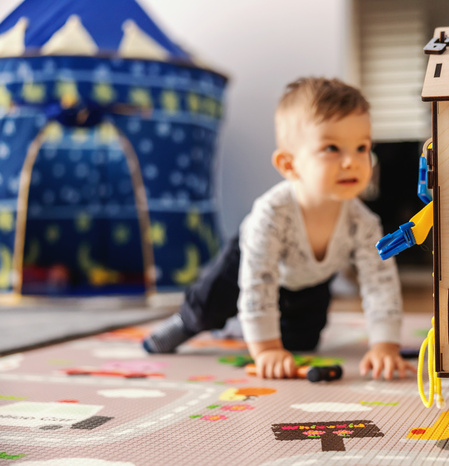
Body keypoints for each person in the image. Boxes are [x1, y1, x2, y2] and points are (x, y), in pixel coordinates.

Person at [144, 77, 414, 380]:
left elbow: (380, 284)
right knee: (208, 306)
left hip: (310, 280)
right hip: (249, 265)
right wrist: (266, 349)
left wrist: (385, 345)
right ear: (289, 165)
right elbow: (258, 281)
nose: (352, 161)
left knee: (303, 342)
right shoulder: (271, 213)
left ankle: (238, 327)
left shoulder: (364, 223)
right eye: (332, 148)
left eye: (362, 147)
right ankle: (185, 322)